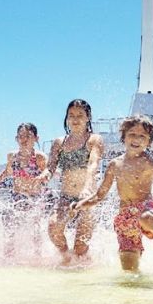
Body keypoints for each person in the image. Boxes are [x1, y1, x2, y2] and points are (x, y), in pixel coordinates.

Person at [71, 115, 153, 272]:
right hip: (125, 217)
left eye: (142, 136)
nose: (137, 139)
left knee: (145, 217)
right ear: (124, 137)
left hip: (147, 208)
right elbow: (100, 195)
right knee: (129, 271)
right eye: (132, 134)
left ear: (149, 142)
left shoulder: (149, 163)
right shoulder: (115, 165)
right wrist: (80, 205)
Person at [44, 99, 104, 262]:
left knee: (80, 247)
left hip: (87, 198)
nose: (75, 119)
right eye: (71, 115)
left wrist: (87, 186)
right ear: (66, 118)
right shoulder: (59, 143)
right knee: (53, 228)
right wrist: (44, 175)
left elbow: (93, 164)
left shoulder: (94, 139)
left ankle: (83, 269)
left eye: (80, 115)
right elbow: (50, 167)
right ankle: (65, 257)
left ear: (88, 117)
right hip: (66, 196)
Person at [0, 122, 49, 259]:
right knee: (9, 227)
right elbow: (6, 173)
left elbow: (49, 172)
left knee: (36, 230)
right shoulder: (13, 156)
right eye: (20, 136)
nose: (23, 140)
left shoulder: (39, 157)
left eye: (28, 136)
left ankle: (38, 257)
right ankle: (8, 256)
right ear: (16, 138)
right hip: (17, 197)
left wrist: (42, 177)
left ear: (36, 138)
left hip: (35, 198)